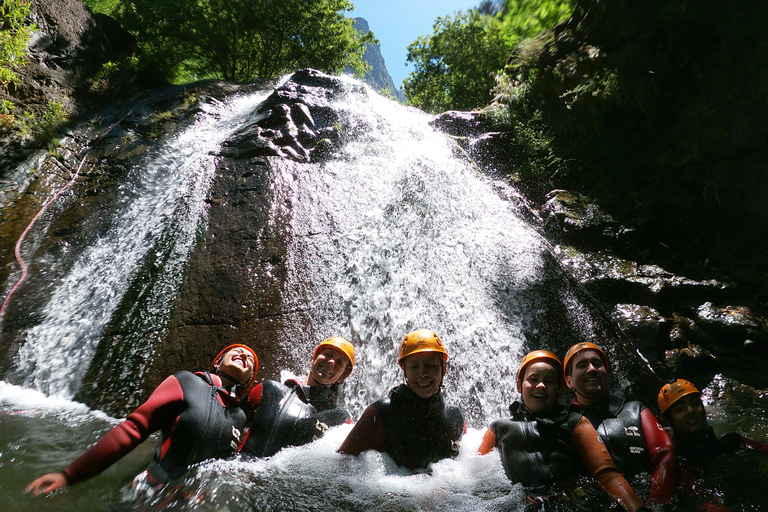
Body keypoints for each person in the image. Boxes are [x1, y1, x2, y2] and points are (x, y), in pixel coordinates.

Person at [26, 344, 257, 496]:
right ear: (217, 361)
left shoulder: (240, 418)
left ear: (249, 379)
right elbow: (134, 429)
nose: (244, 355)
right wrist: (69, 475)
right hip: (147, 494)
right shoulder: (186, 382)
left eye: (250, 359)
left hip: (193, 502)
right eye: (236, 351)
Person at [478, 350, 650, 512]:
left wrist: (637, 508)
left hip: (572, 504)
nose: (541, 385)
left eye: (550, 381)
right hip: (517, 505)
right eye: (533, 379)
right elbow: (479, 481)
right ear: (519, 385)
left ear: (559, 389)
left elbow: (606, 474)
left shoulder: (574, 422)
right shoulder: (498, 429)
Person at [562, 342, 675, 507]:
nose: (592, 369)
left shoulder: (635, 409)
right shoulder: (565, 423)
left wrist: (656, 505)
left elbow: (665, 455)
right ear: (569, 381)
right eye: (582, 365)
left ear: (606, 373)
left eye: (597, 363)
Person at [338, 329, 465, 471]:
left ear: (444, 367)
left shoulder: (455, 416)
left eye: (431, 365)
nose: (423, 374)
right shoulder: (381, 413)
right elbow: (341, 467)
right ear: (404, 369)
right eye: (415, 366)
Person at [658, 378, 768, 510]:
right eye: (680, 409)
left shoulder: (733, 441)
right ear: (667, 420)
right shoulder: (679, 464)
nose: (690, 410)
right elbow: (704, 502)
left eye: (694, 403)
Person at [239, 336, 355, 456]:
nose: (331, 362)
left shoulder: (340, 419)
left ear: (342, 376)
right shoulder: (269, 390)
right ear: (314, 358)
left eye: (339, 362)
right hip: (244, 470)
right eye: (328, 354)